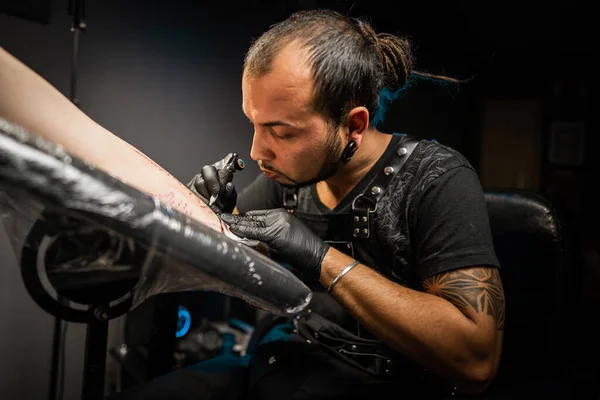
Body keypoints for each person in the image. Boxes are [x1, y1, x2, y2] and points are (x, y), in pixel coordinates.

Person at [114, 9, 505, 400]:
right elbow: (256, 248)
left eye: (281, 132)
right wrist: (217, 214)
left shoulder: (436, 179)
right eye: (254, 123)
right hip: (280, 364)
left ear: (353, 125)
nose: (257, 152)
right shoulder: (290, 176)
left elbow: (476, 360)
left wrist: (321, 258)